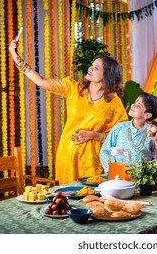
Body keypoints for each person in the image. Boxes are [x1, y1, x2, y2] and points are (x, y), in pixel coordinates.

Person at [9, 39, 128, 184]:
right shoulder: (73, 89)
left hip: (92, 160)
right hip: (66, 155)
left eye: (96, 68)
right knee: (66, 198)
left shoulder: (113, 102)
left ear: (107, 75)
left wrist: (94, 135)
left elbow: (122, 136)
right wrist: (17, 58)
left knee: (90, 197)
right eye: (92, 65)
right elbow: (41, 81)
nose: (90, 68)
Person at [99, 92, 157, 172]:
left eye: (138, 106)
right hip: (117, 176)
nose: (133, 105)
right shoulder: (119, 128)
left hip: (141, 178)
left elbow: (155, 160)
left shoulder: (152, 134)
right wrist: (112, 169)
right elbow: (104, 151)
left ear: (147, 115)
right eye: (135, 102)